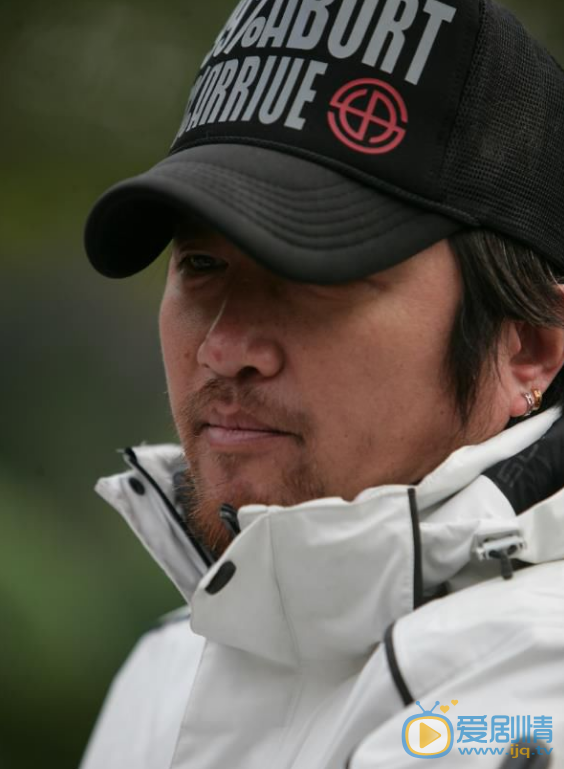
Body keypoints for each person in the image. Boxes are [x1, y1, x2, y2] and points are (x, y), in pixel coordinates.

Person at [80, 0, 564, 766]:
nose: (224, 349)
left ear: (529, 347)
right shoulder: (162, 669)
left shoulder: (531, 683)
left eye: (317, 274)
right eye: (200, 264)